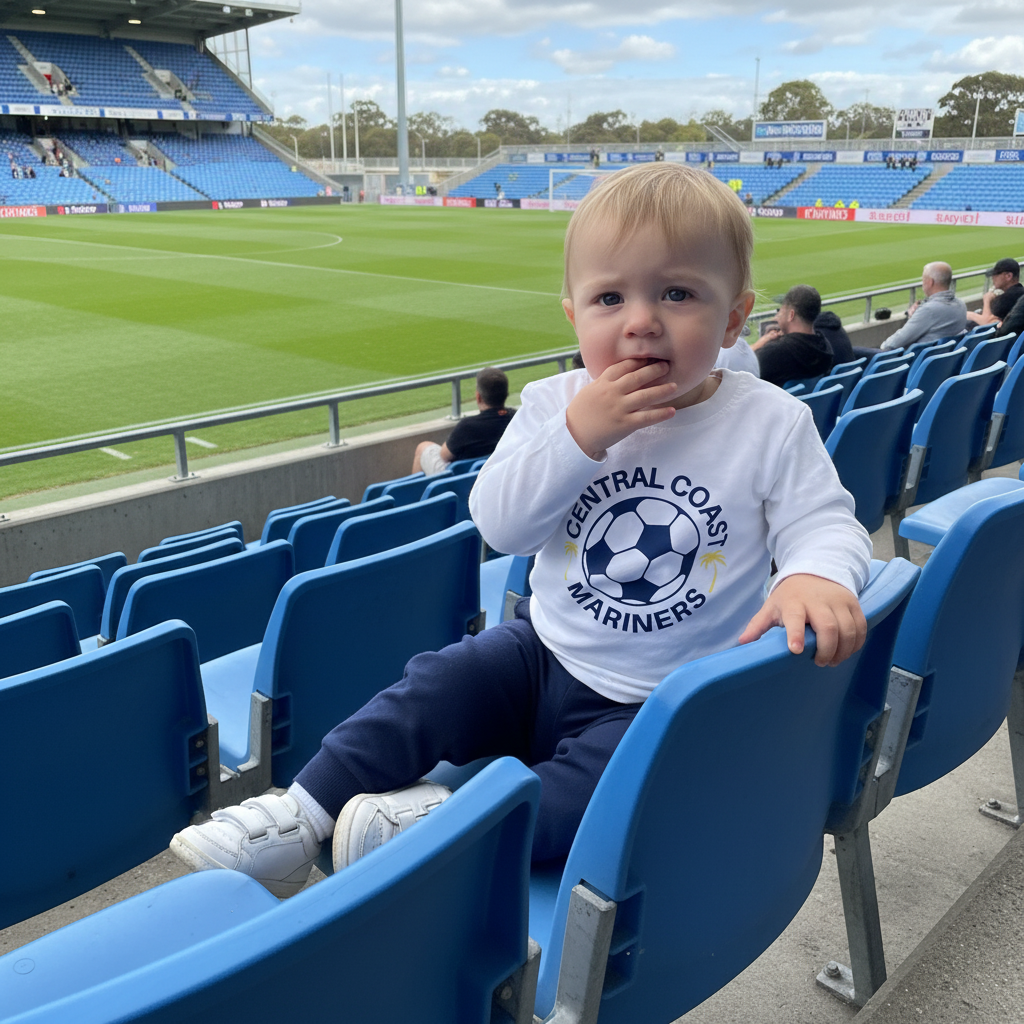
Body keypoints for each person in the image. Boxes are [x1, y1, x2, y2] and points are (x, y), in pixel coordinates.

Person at [169, 162, 871, 897]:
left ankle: (447, 829)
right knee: (434, 685)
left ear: (733, 318)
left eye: (677, 293)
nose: (640, 320)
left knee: (599, 798)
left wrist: (815, 573)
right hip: (540, 651)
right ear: (574, 315)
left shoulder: (770, 423)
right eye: (610, 297)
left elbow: (824, 520)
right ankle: (302, 812)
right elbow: (500, 524)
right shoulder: (551, 405)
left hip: (659, 698)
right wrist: (577, 437)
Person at [412, 367, 516, 475]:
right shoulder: (515, 417)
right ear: (505, 395)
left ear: (478, 397)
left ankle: (415, 486)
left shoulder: (467, 427)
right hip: (500, 472)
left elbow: (444, 455)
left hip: (465, 479)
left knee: (422, 448)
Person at [750, 284, 834, 386]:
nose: (778, 315)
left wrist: (762, 342)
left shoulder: (775, 352)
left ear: (791, 315)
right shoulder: (826, 347)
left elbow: (742, 366)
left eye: (781, 310)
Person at [879, 262, 967, 351]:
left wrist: (883, 346)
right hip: (945, 356)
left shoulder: (929, 310)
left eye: (924, 280)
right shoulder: (961, 304)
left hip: (920, 357)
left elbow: (894, 343)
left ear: (930, 282)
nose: (922, 283)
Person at [966, 258, 1024, 326]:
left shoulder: (1006, 299)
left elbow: (987, 323)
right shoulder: (1020, 292)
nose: (993, 278)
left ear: (1008, 276)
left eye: (996, 274)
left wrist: (987, 300)